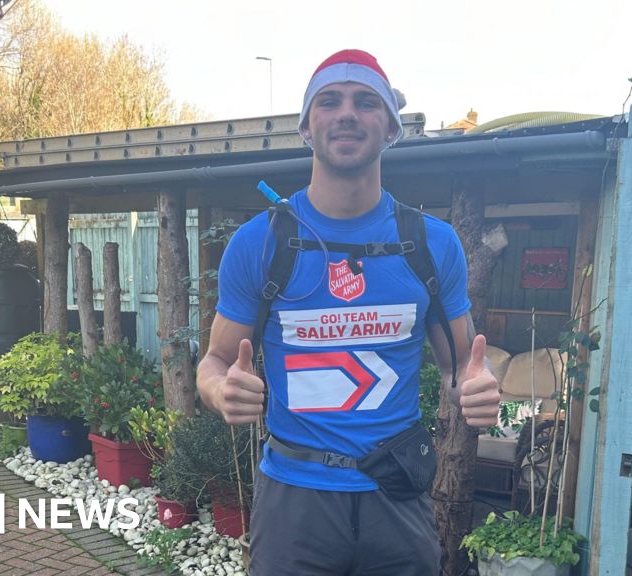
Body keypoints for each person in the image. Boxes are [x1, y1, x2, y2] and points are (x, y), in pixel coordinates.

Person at [196, 49, 501, 575]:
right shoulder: (260, 243)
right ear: (306, 127)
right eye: (329, 101)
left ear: (391, 128)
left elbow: (460, 370)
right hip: (294, 498)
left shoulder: (432, 244)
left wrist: (476, 389)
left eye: (366, 102)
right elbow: (214, 362)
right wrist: (221, 390)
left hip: (396, 494)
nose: (346, 114)